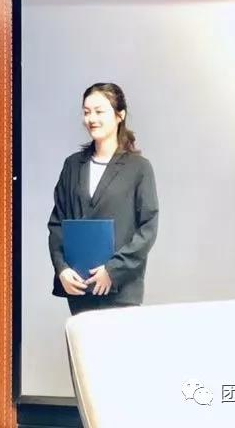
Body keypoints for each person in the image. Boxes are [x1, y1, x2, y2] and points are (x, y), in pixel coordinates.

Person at [48, 83, 158, 316]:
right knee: (81, 341)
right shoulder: (72, 165)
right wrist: (62, 269)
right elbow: (57, 223)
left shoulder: (139, 168)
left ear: (120, 115)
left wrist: (112, 270)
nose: (91, 119)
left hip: (120, 288)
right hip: (79, 285)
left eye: (99, 111)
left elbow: (147, 228)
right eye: (87, 112)